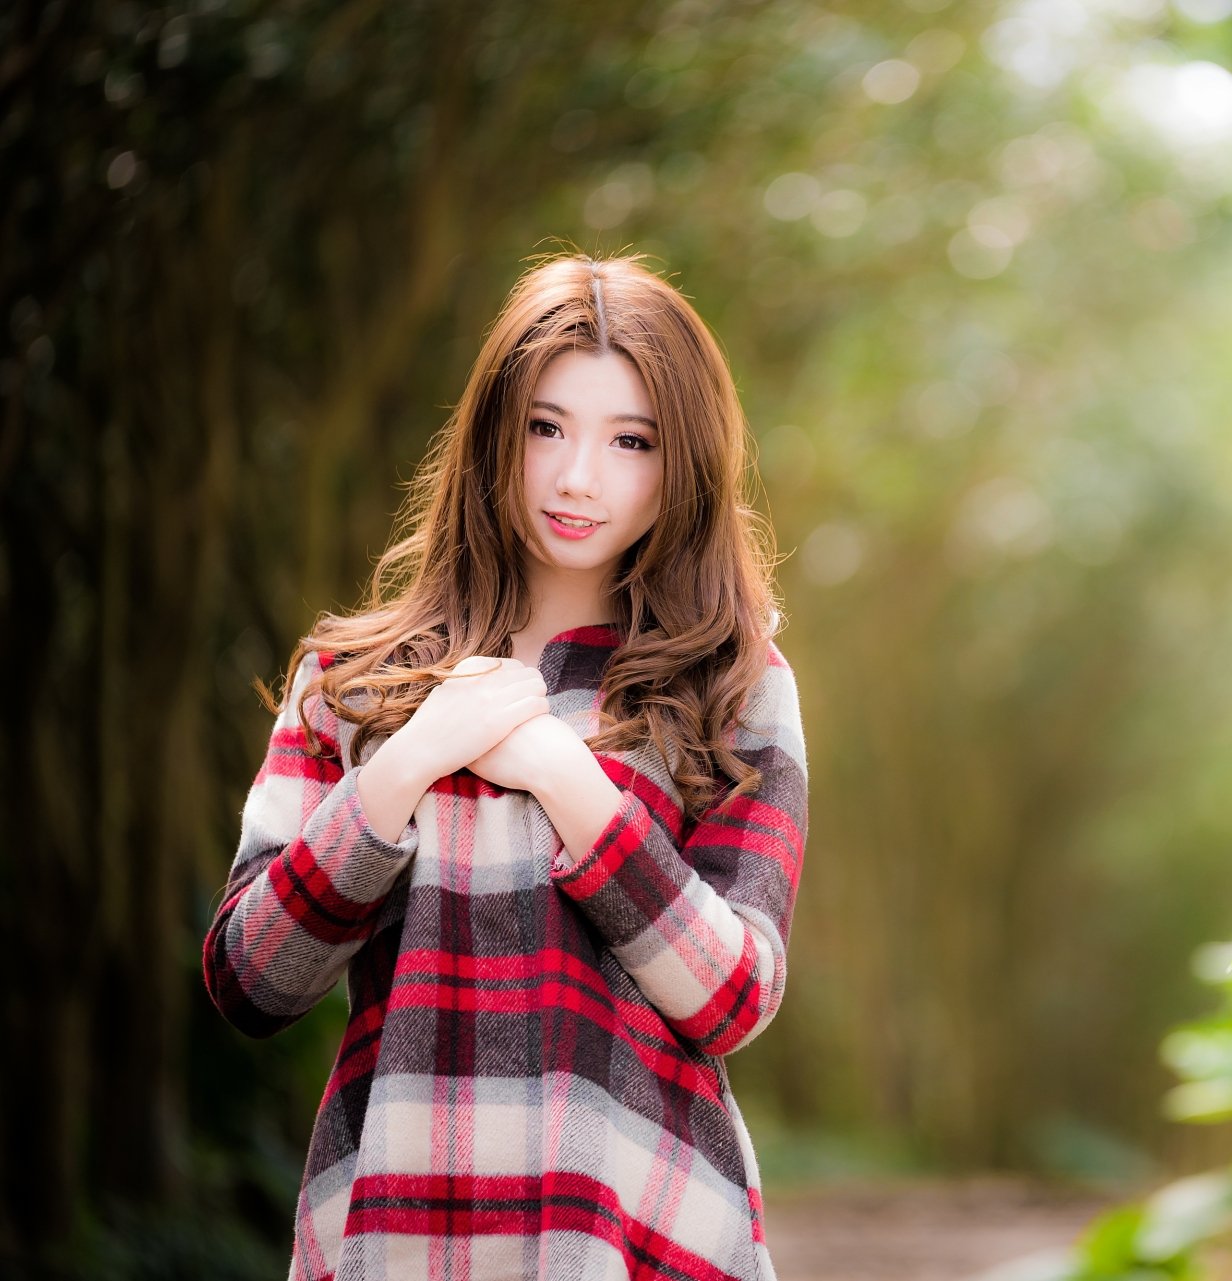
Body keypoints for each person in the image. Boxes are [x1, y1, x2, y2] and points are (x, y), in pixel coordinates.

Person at [203, 252, 808, 1281]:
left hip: (637, 1237)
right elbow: (250, 981)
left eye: (632, 441)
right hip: (395, 1232)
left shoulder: (730, 687)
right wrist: (408, 765)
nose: (579, 475)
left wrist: (564, 779)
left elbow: (733, 1000)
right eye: (546, 427)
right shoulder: (350, 681)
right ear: (495, 433)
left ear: (684, 464)